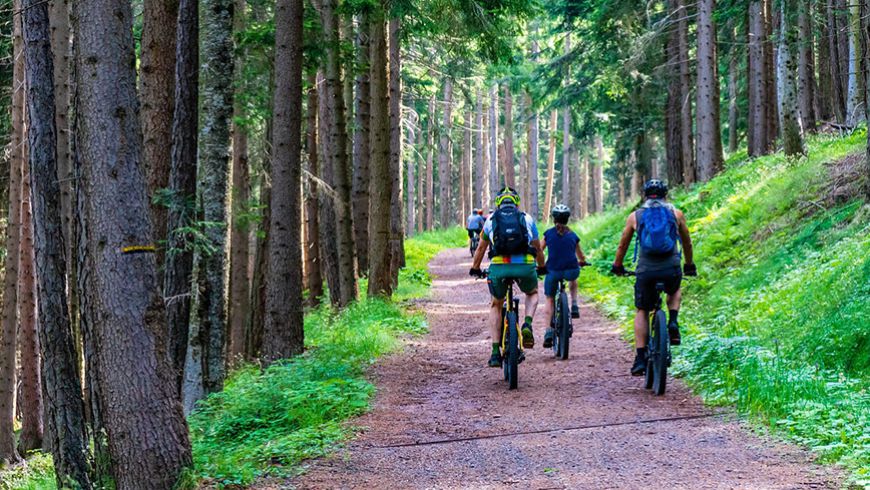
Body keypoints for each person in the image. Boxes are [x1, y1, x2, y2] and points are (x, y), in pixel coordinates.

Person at [610, 179, 697, 376]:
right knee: (674, 289)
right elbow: (687, 242)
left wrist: (617, 266)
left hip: (646, 270)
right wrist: (689, 265)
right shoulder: (676, 214)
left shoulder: (636, 216)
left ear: (645, 195)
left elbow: (622, 245)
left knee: (642, 309)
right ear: (666, 195)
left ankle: (640, 357)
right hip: (671, 267)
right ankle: (673, 321)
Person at [470, 187, 547, 368]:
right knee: (533, 292)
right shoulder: (527, 219)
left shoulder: (490, 220)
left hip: (499, 268)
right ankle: (527, 324)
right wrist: (542, 266)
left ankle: (495, 352)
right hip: (525, 267)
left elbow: (481, 248)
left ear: (498, 203)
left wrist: (475, 268)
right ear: (516, 202)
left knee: (496, 304)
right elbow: (537, 247)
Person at [541, 204, 589, 348]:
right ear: (567, 219)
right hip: (571, 271)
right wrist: (583, 262)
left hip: (553, 271)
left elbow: (540, 250)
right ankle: (574, 303)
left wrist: (541, 265)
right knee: (573, 276)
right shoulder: (573, 235)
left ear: (553, 219)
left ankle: (548, 331)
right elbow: (580, 255)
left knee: (549, 299)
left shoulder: (548, 234)